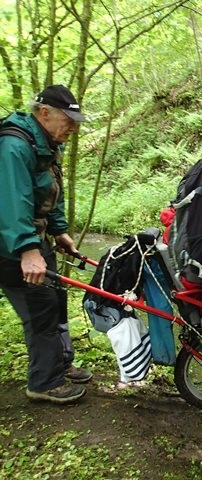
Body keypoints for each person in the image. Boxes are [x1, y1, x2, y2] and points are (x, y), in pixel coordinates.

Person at [0, 84, 93, 404]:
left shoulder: (47, 144)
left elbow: (49, 193)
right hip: (10, 248)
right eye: (68, 120)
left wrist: (59, 231)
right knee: (39, 309)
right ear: (44, 114)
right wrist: (27, 251)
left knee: (55, 299)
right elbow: (12, 202)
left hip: (34, 240)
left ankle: (60, 363)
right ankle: (43, 381)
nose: (73, 127)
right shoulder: (14, 146)